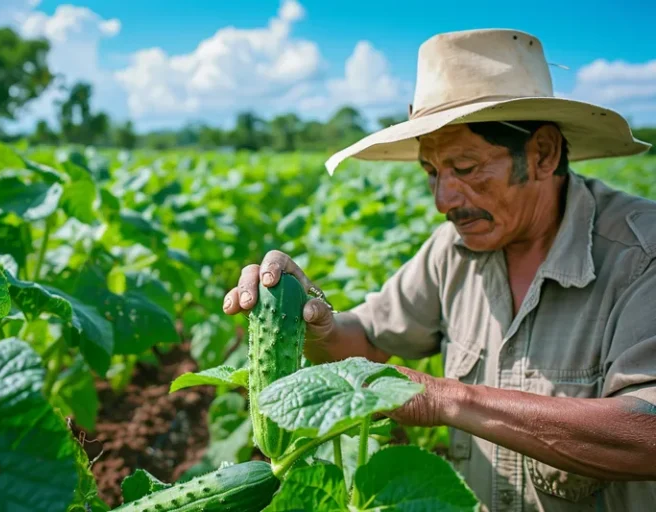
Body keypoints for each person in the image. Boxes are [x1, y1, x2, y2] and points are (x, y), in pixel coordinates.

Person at [222, 29, 656, 511]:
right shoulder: (453, 249)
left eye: (466, 168)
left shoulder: (642, 256)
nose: (442, 200)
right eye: (432, 172)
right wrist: (312, 316)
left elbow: (648, 434)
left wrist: (444, 399)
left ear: (542, 154)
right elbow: (366, 337)